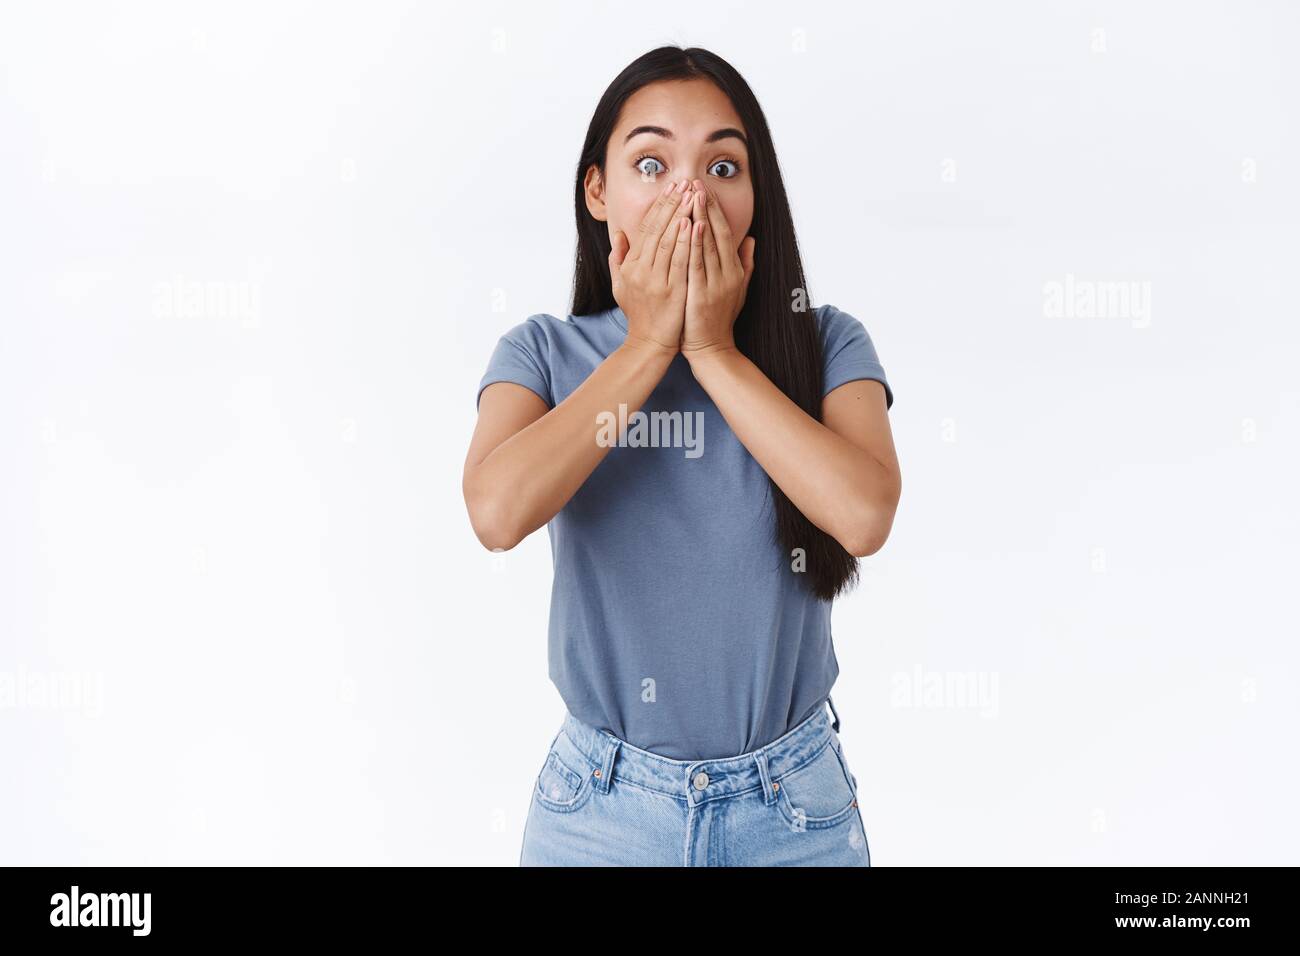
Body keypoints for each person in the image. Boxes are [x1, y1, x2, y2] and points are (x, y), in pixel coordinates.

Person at [463, 46, 901, 866]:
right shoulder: (543, 354)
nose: (690, 193)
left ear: (756, 197)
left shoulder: (828, 343)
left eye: (723, 165)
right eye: (653, 162)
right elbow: (495, 512)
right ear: (599, 192)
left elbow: (865, 514)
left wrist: (712, 351)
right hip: (597, 812)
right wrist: (650, 344)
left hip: (792, 812)